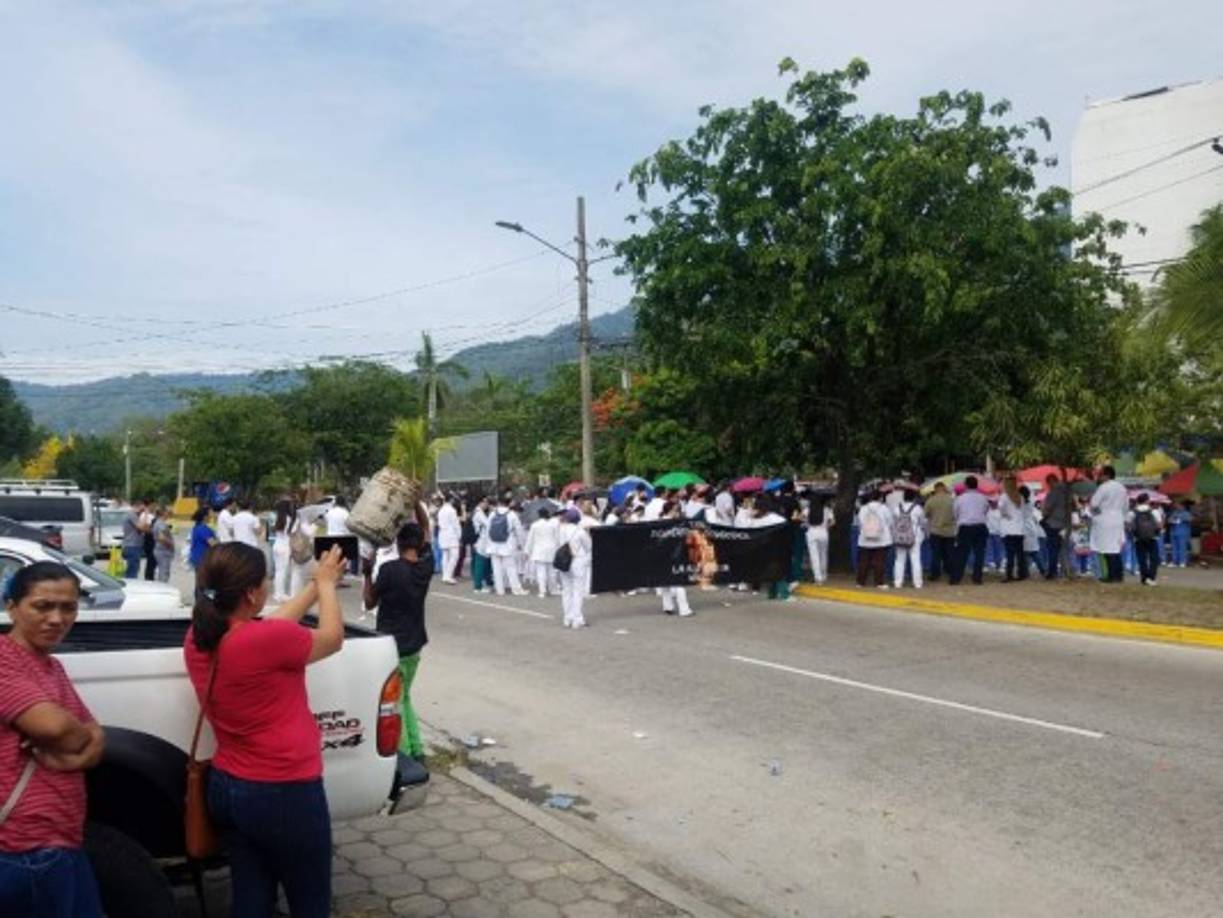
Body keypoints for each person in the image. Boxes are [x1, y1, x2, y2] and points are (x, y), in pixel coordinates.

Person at [185, 541, 347, 918]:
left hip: (228, 786)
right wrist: (327, 586)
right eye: (266, 581)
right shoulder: (263, 641)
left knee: (252, 895)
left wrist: (315, 583)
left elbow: (271, 627)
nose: (269, 587)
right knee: (310, 902)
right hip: (282, 791)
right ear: (251, 593)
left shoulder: (199, 636)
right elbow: (332, 639)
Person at [0, 562, 106, 918]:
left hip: (58, 842)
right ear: (12, 607)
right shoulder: (4, 659)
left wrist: (83, 751)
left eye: (68, 607)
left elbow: (95, 734)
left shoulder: (50, 666)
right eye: (42, 606)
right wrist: (81, 740)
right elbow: (56, 728)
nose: (57, 619)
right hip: (23, 850)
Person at [363, 506, 433, 763]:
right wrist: (416, 503)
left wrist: (367, 573)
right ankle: (417, 748)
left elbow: (369, 602)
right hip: (415, 645)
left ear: (398, 543)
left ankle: (403, 755)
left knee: (395, 703)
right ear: (420, 544)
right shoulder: (426, 568)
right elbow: (426, 529)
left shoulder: (390, 570)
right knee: (405, 697)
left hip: (392, 646)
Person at [1089, 465, 1128, 582]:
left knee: (1107, 548)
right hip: (1118, 519)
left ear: (1106, 475)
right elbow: (1126, 506)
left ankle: (1112, 575)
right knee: (1115, 548)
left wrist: (1097, 513)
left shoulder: (1103, 487)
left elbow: (1094, 504)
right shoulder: (1122, 488)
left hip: (1104, 519)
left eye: (1101, 475)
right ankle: (1118, 575)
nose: (1100, 478)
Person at [556, 508, 592, 628]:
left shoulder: (561, 529)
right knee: (578, 591)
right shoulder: (580, 531)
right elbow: (589, 546)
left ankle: (567, 618)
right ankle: (577, 619)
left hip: (563, 561)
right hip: (577, 561)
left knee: (566, 591)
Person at [950, 476, 990, 585]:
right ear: (977, 485)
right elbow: (986, 510)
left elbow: (955, 513)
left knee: (961, 553)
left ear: (966, 485)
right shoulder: (983, 498)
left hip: (965, 527)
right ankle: (977, 578)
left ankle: (956, 578)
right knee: (979, 553)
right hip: (980, 526)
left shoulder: (960, 498)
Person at [658, 502, 694, 616]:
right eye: (676, 510)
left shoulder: (659, 522)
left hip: (662, 555)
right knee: (678, 582)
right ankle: (684, 609)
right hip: (674, 555)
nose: (678, 512)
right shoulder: (674, 523)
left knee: (665, 581)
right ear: (671, 510)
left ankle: (667, 606)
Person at [486, 496, 527, 596]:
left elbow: (488, 530)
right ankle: (516, 589)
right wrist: (522, 544)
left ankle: (500, 590)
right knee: (511, 568)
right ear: (509, 504)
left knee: (497, 569)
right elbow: (519, 531)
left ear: (499, 502)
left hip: (494, 545)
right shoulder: (512, 515)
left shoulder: (492, 514)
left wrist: (489, 543)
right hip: (507, 545)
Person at [855, 491, 893, 588]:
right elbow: (890, 522)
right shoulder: (884, 508)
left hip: (865, 539)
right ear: (880, 498)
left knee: (863, 562)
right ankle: (879, 582)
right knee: (879, 562)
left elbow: (860, 522)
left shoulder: (863, 508)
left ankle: (860, 582)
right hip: (881, 539)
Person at [892, 488, 926, 589]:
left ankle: (898, 582)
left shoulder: (897, 508)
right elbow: (923, 523)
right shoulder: (918, 508)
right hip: (914, 536)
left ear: (903, 497)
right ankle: (917, 583)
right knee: (915, 559)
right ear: (914, 497)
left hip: (900, 537)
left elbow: (894, 522)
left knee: (899, 560)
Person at [1127, 493, 1165, 586]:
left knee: (1141, 558)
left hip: (1138, 538)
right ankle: (1151, 577)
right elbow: (1159, 525)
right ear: (1147, 500)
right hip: (1152, 537)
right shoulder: (1154, 511)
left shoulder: (1132, 512)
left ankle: (1144, 578)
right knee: (1154, 558)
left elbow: (1128, 525)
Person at [923, 482, 957, 582]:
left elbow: (925, 514)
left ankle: (935, 574)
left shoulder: (931, 500)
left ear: (935, 489)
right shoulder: (952, 500)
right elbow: (957, 514)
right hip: (950, 530)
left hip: (935, 530)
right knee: (950, 553)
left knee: (936, 553)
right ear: (944, 488)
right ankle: (951, 571)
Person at [523, 508, 560, 598]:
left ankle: (542, 591)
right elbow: (557, 538)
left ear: (539, 515)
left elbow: (530, 539)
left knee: (541, 572)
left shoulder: (535, 525)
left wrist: (527, 551)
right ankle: (553, 589)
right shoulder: (552, 525)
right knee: (552, 572)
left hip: (539, 550)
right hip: (551, 549)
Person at [1041, 473, 1072, 579]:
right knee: (1062, 549)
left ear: (1051, 481)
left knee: (1052, 549)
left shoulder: (1054, 492)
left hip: (1053, 523)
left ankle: (1052, 572)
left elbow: (1048, 508)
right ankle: (1065, 571)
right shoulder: (1067, 492)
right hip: (1064, 523)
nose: (1048, 485)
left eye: (1048, 483)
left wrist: (1044, 512)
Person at [997, 476, 1028, 582]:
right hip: (1019, 529)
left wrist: (1005, 515)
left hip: (1008, 528)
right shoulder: (1020, 497)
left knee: (1009, 553)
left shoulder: (1004, 496)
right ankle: (1021, 574)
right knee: (1020, 553)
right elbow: (1023, 512)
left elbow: (1001, 508)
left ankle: (1009, 574)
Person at [270, 499, 298, 603]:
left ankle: (277, 593)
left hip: (276, 545)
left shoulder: (277, 518)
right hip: (285, 546)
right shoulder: (289, 519)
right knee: (283, 571)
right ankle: (280, 594)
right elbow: (292, 532)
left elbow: (273, 530)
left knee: (278, 571)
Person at [805, 494, 834, 585]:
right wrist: (826, 527)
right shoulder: (827, 510)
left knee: (814, 556)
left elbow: (800, 517)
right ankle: (824, 575)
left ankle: (818, 578)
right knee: (823, 555)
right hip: (823, 532)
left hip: (811, 532)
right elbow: (833, 522)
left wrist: (806, 523)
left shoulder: (808, 509)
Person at [469, 496, 495, 594]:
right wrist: (493, 513)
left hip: (481, 540)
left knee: (484, 563)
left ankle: (486, 582)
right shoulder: (479, 513)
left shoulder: (477, 512)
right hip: (481, 541)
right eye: (485, 502)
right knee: (480, 563)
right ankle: (478, 587)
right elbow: (488, 525)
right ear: (480, 502)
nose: (487, 504)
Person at [436, 496, 462, 585]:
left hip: (442, 534)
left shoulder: (441, 510)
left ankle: (445, 575)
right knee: (455, 555)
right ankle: (448, 575)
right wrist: (459, 535)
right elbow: (456, 524)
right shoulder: (451, 510)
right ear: (451, 500)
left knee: (445, 555)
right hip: (451, 535)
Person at [120, 498, 149, 579]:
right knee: (132, 571)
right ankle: (130, 584)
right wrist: (146, 514)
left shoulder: (135, 515)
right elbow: (141, 527)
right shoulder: (131, 514)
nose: (142, 512)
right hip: (132, 546)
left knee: (134, 569)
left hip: (134, 546)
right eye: (142, 509)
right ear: (138, 506)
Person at [1020, 486, 1045, 577]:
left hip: (1024, 528)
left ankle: (1026, 572)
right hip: (1031, 527)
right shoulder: (1030, 502)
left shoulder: (1021, 503)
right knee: (1033, 551)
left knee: (1027, 552)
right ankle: (1042, 570)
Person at [152, 506, 176, 583]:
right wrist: (170, 543)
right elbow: (161, 537)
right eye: (167, 512)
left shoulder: (160, 523)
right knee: (164, 573)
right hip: (163, 551)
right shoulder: (160, 524)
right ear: (163, 513)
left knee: (163, 572)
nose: (168, 513)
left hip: (161, 550)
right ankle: (163, 588)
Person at [1168, 501, 1193, 567]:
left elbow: (1190, 519)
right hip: (1174, 532)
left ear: (1183, 506)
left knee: (1182, 547)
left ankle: (1182, 561)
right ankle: (1175, 561)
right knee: (1174, 548)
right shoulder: (1174, 512)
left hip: (1183, 532)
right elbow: (1169, 520)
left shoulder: (1186, 513)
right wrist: (1172, 520)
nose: (1177, 507)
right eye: (1176, 505)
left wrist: (1181, 518)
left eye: (1179, 505)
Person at [141, 500, 159, 581]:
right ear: (150, 505)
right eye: (153, 505)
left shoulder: (149, 515)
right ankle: (149, 579)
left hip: (151, 541)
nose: (155, 507)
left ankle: (149, 577)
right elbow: (145, 528)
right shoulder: (147, 515)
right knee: (151, 562)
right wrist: (155, 531)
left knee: (152, 562)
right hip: (149, 541)